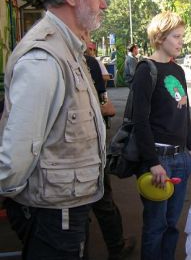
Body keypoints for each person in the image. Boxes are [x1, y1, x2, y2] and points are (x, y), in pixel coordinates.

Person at [0, 0, 107, 259]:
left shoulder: (67, 48)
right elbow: (15, 156)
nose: (104, 3)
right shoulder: (44, 58)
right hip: (51, 214)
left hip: (63, 207)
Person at [131, 11, 191, 260]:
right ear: (159, 37)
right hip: (159, 161)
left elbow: (185, 112)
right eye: (176, 36)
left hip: (181, 159)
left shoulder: (178, 70)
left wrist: (189, 148)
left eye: (181, 36)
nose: (181, 42)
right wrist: (153, 162)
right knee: (156, 226)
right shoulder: (146, 71)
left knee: (171, 225)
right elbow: (140, 121)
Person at [82, 33, 134, 260]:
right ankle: (116, 246)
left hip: (82, 146)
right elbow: (107, 105)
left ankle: (111, 246)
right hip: (90, 144)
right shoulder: (89, 63)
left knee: (82, 207)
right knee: (102, 199)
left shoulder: (83, 63)